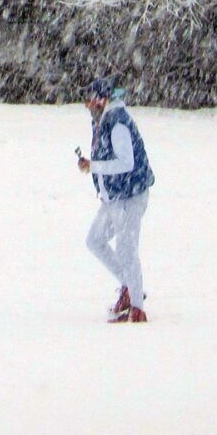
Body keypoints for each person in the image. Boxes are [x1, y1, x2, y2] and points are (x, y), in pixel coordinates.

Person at [76, 76, 154, 322]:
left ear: (104, 99)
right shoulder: (102, 120)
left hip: (130, 195)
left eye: (92, 100)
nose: (88, 105)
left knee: (126, 248)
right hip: (113, 196)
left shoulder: (117, 123)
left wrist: (94, 166)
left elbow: (126, 162)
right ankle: (130, 287)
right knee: (95, 240)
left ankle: (137, 308)